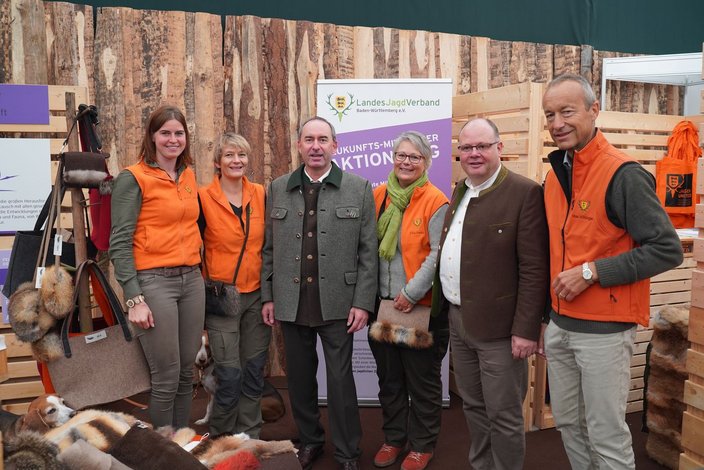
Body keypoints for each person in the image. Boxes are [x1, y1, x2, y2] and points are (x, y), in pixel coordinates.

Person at [541, 73, 683, 470]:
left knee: (605, 434)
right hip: (560, 326)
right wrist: (545, 318)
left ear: (594, 110)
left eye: (567, 112)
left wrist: (592, 272)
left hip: (603, 333)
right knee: (570, 424)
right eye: (550, 115)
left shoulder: (624, 174)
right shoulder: (554, 176)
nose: (557, 123)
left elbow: (667, 250)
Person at [430, 118, 549, 470]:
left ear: (500, 147)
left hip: (501, 330)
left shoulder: (524, 193)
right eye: (466, 148)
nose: (474, 154)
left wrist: (526, 329)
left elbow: (534, 269)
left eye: (482, 146)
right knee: (474, 407)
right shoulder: (460, 190)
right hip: (458, 321)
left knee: (504, 414)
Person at [261, 116, 377, 470]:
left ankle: (347, 452)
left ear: (334, 146)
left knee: (341, 381)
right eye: (309, 139)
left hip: (339, 303)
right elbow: (269, 249)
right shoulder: (278, 188)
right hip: (291, 301)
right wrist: (269, 295)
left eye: (323, 139)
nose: (315, 146)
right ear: (299, 145)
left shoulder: (359, 188)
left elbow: (368, 253)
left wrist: (362, 302)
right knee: (299, 380)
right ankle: (310, 440)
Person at [110, 105, 205, 428]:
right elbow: (119, 242)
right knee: (166, 374)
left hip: (191, 280)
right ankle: (162, 449)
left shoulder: (188, 175)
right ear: (152, 136)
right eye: (165, 133)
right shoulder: (133, 178)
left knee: (185, 372)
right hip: (154, 282)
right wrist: (134, 298)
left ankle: (179, 444)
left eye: (179, 133)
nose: (173, 139)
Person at [368, 131, 449, 470]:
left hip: (421, 309)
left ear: (426, 161)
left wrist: (410, 293)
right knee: (389, 381)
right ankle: (394, 438)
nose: (406, 162)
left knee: (423, 383)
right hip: (383, 308)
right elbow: (367, 248)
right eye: (401, 155)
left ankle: (421, 446)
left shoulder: (436, 201)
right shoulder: (378, 196)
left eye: (414, 157)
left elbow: (437, 256)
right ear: (393, 158)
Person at [198, 133, 271, 438]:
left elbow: (269, 246)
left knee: (253, 370)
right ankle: (222, 437)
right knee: (228, 374)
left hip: (256, 295)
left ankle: (249, 435)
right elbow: (193, 248)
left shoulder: (260, 194)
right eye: (229, 155)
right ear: (218, 162)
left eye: (241, 155)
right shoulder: (203, 198)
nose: (236, 160)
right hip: (222, 298)